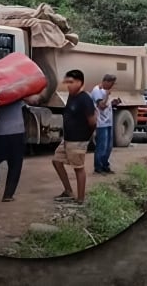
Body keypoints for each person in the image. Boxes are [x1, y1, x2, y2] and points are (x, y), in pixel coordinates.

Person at [0, 94, 41, 202]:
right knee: (15, 165)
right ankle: (8, 195)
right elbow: (32, 102)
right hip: (16, 132)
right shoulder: (17, 93)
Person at [52, 70, 96, 204]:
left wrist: (84, 138)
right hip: (67, 139)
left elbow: (93, 122)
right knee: (56, 161)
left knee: (78, 168)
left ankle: (81, 199)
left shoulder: (85, 99)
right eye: (67, 82)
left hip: (78, 140)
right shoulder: (71, 97)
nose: (68, 85)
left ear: (79, 82)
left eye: (71, 82)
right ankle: (68, 191)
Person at [91, 74, 116, 174]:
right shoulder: (97, 90)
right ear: (106, 81)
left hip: (108, 121)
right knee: (102, 146)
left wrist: (113, 103)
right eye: (111, 84)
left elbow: (107, 105)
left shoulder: (105, 91)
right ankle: (98, 167)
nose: (111, 86)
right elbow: (101, 106)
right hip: (101, 123)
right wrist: (107, 96)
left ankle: (105, 165)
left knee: (108, 146)